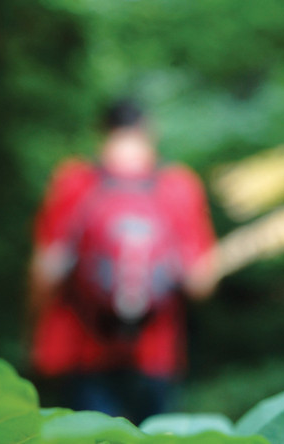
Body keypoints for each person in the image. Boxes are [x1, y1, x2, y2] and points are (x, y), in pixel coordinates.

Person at [27, 98, 217, 423]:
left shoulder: (74, 181)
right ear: (150, 129)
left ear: (100, 131)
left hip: (82, 351)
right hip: (157, 355)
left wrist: (35, 335)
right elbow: (201, 281)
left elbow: (46, 270)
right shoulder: (179, 185)